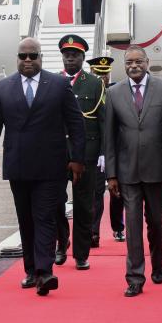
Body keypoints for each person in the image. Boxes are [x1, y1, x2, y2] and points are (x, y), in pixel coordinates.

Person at [0, 37, 85, 296]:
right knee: (26, 220)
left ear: (41, 57)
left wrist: (77, 158)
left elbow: (76, 124)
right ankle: (30, 270)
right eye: (22, 56)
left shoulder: (59, 84)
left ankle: (44, 271)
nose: (27, 60)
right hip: (19, 166)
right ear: (17, 58)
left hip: (52, 166)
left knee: (45, 217)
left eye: (32, 56)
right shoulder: (3, 87)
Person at [103, 45, 162, 297]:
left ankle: (158, 260)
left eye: (138, 61)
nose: (134, 66)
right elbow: (109, 138)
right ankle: (135, 277)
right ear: (124, 65)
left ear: (147, 62)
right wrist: (111, 174)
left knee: (155, 221)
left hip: (157, 169)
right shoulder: (114, 93)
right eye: (129, 62)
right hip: (127, 172)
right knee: (132, 224)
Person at [54, 35, 103, 270]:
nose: (70, 58)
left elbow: (102, 120)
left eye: (75, 55)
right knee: (55, 202)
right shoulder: (52, 81)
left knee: (84, 205)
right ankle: (61, 244)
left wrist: (103, 152)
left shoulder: (94, 83)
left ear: (83, 58)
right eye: (67, 54)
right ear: (62, 57)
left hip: (86, 154)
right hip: (56, 153)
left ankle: (81, 254)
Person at [87, 55, 124, 245]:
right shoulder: (87, 91)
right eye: (98, 74)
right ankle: (94, 233)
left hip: (116, 150)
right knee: (96, 193)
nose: (103, 78)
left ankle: (118, 228)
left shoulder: (116, 91)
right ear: (91, 73)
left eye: (105, 74)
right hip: (97, 152)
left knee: (118, 193)